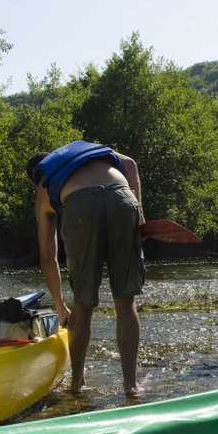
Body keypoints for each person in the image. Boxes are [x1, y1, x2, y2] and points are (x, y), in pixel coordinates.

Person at [26, 140, 145, 396]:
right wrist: (140, 214)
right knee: (126, 302)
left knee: (83, 303)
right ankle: (131, 386)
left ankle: (77, 384)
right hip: (122, 196)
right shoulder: (83, 152)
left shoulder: (46, 181)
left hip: (81, 205)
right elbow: (130, 163)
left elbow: (48, 257)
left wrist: (60, 306)